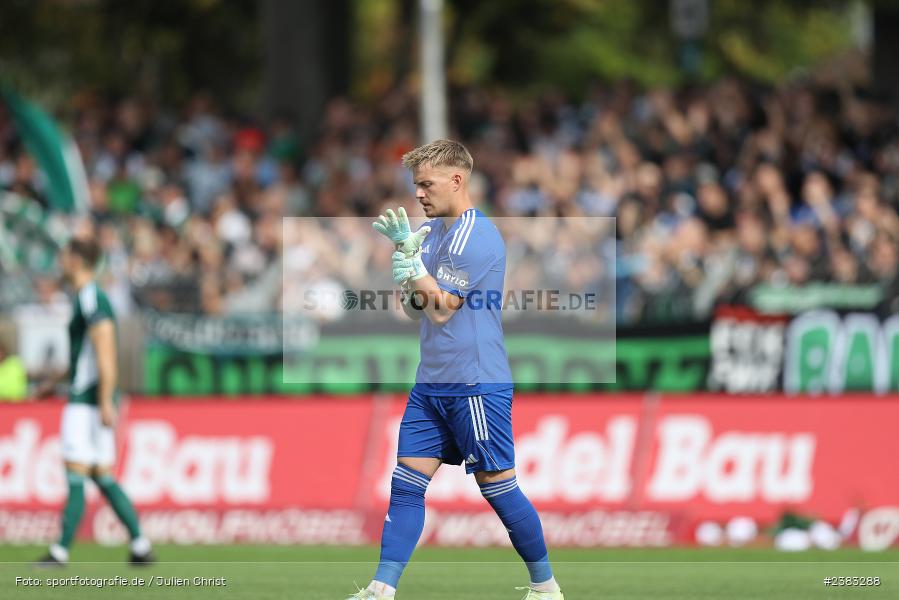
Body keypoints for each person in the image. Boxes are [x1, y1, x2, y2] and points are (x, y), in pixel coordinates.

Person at [349, 140, 563, 599]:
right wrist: (408, 268)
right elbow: (415, 311)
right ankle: (381, 589)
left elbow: (443, 309)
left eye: (426, 184)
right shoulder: (437, 233)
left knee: (498, 487)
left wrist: (413, 265)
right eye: (416, 186)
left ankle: (546, 588)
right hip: (432, 383)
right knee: (406, 484)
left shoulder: (475, 234)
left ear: (456, 180)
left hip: (475, 383)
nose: (419, 195)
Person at [35, 237, 154, 566]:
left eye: (63, 256)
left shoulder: (90, 298)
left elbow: (104, 349)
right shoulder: (87, 297)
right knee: (102, 475)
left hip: (87, 402)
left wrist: (104, 400)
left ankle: (59, 552)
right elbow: (85, 357)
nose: (60, 262)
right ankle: (140, 546)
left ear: (75, 259)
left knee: (75, 472)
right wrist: (53, 382)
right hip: (91, 396)